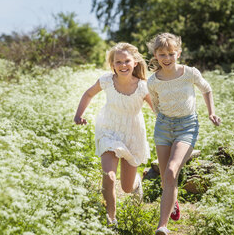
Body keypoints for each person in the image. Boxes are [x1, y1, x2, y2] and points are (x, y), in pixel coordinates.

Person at [146, 33, 221, 235]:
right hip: (163, 127)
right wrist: (164, 119)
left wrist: (211, 112)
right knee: (165, 178)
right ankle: (173, 200)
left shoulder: (189, 73)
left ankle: (162, 226)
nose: (167, 58)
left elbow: (207, 89)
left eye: (171, 53)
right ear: (155, 55)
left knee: (171, 171)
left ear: (178, 53)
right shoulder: (153, 81)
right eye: (162, 54)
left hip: (187, 126)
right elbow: (156, 104)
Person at [74, 42, 153, 227]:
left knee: (126, 187)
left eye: (127, 61)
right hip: (108, 129)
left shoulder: (143, 86)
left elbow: (157, 110)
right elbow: (88, 94)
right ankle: (111, 219)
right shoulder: (107, 80)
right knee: (109, 176)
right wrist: (79, 115)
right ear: (112, 65)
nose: (123, 65)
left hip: (132, 133)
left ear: (134, 63)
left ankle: (136, 183)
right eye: (118, 62)